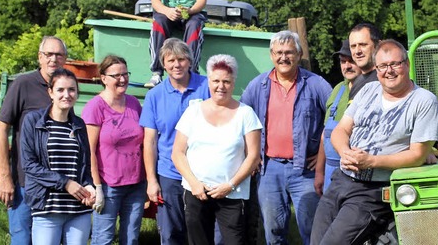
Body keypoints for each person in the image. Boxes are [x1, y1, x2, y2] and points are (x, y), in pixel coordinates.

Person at [311, 39, 438, 245]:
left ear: (407, 64)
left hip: (373, 191)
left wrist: (371, 161)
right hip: (341, 180)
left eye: (395, 64)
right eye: (382, 66)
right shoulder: (368, 90)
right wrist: (344, 152)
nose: (389, 71)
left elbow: (418, 155)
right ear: (376, 68)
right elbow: (341, 130)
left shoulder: (424, 101)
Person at [241, 31, 332, 244]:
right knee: (273, 230)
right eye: (279, 52)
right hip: (269, 168)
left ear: (299, 54)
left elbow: (334, 124)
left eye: (289, 52)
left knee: (312, 229)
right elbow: (241, 120)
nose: (284, 57)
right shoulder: (258, 85)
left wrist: (321, 159)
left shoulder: (316, 84)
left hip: (305, 171)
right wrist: (251, 154)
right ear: (272, 55)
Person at [172, 54, 262, 245]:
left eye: (226, 81)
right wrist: (194, 183)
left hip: (232, 193)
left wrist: (230, 184)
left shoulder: (246, 114)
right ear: (209, 81)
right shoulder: (193, 111)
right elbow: (178, 153)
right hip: (197, 191)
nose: (221, 86)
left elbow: (253, 156)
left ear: (234, 82)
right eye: (216, 81)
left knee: (235, 241)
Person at [0, 36, 67, 245]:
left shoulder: (64, 88)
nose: (53, 59)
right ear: (39, 57)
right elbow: (1, 128)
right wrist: (6, 176)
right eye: (48, 54)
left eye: (58, 55)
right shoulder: (23, 84)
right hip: (25, 182)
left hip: (56, 184)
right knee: (22, 238)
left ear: (65, 59)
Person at [140, 38, 211, 245]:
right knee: (171, 233)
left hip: (202, 172)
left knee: (201, 231)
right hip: (169, 174)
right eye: (170, 60)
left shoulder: (207, 87)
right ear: (163, 64)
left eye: (181, 59)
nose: (176, 65)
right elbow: (150, 141)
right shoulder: (154, 95)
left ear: (189, 61)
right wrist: (152, 181)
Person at [20, 68, 96, 245]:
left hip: (78, 210)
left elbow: (84, 164)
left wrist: (89, 186)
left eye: (71, 90)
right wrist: (66, 183)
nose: (66, 95)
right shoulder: (33, 121)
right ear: (50, 92)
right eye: (60, 90)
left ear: (77, 93)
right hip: (47, 209)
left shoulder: (79, 124)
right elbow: (29, 165)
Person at [82, 55, 146, 245]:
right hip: (108, 185)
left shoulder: (134, 104)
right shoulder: (95, 107)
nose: (123, 79)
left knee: (131, 238)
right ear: (103, 78)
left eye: (125, 74)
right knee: (104, 238)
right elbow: (89, 151)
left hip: (136, 184)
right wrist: (97, 187)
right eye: (116, 75)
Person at [314, 39, 361, 194]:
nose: (347, 66)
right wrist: (319, 172)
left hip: (353, 170)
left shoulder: (372, 89)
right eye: (343, 61)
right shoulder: (337, 90)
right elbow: (325, 133)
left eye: (351, 61)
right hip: (330, 170)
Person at [348, 23, 381, 99]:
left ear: (378, 45)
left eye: (363, 45)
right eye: (353, 46)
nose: (357, 51)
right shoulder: (357, 81)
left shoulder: (385, 79)